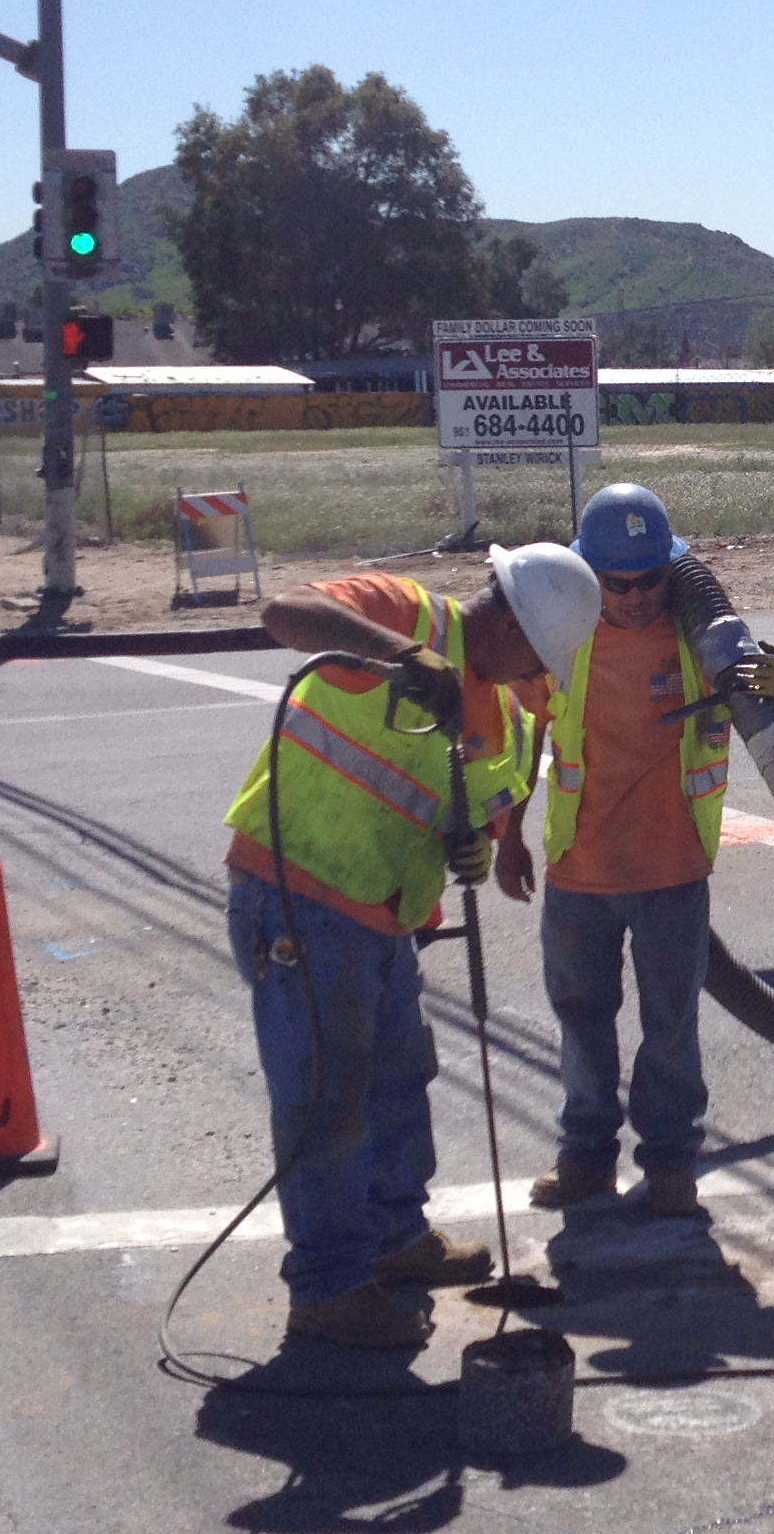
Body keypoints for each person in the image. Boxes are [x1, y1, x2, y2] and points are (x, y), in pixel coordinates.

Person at [230, 540, 606, 1350]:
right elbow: (283, 613)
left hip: (383, 918)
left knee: (399, 1077)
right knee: (324, 1098)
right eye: (536, 659)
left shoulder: (500, 713)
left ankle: (396, 1240)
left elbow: (474, 812)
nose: (533, 680)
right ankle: (329, 1287)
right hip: (298, 892)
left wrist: (472, 844)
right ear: (506, 622)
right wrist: (398, 653)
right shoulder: (407, 613)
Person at [525, 482, 774, 1219]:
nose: (638, 597)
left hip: (673, 867)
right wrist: (504, 834)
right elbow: (524, 734)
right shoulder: (561, 633)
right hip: (579, 869)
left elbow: (760, 707)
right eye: (620, 584)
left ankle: (671, 1165)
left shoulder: (692, 632)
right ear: (589, 575)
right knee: (582, 1020)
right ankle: (585, 1157)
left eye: (649, 581)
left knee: (669, 1027)